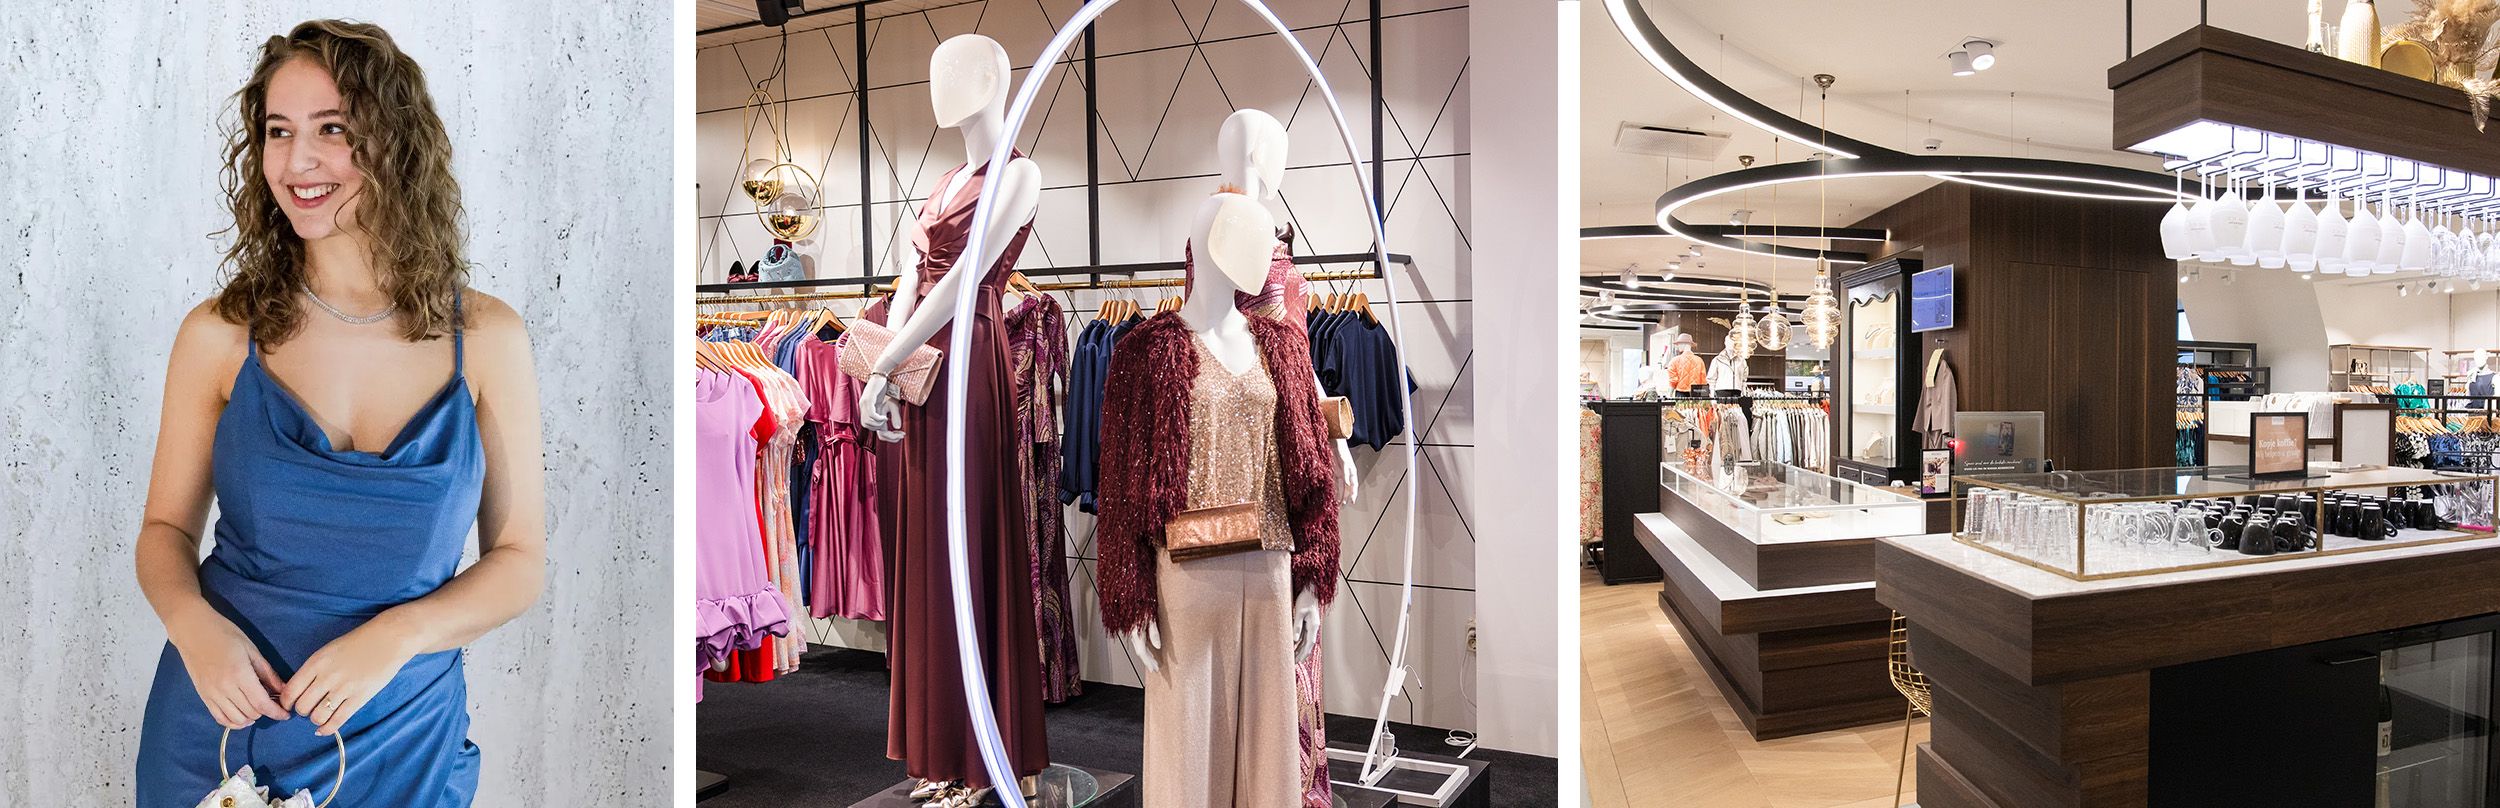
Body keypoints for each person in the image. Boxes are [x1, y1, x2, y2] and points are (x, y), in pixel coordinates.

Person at [132, 20, 545, 806]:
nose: (297, 162)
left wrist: (398, 636)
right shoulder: (219, 334)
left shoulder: (488, 338)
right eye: (278, 131)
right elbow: (164, 531)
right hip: (223, 726)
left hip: (404, 730)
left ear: (398, 142)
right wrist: (193, 627)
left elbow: (520, 560)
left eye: (332, 129)